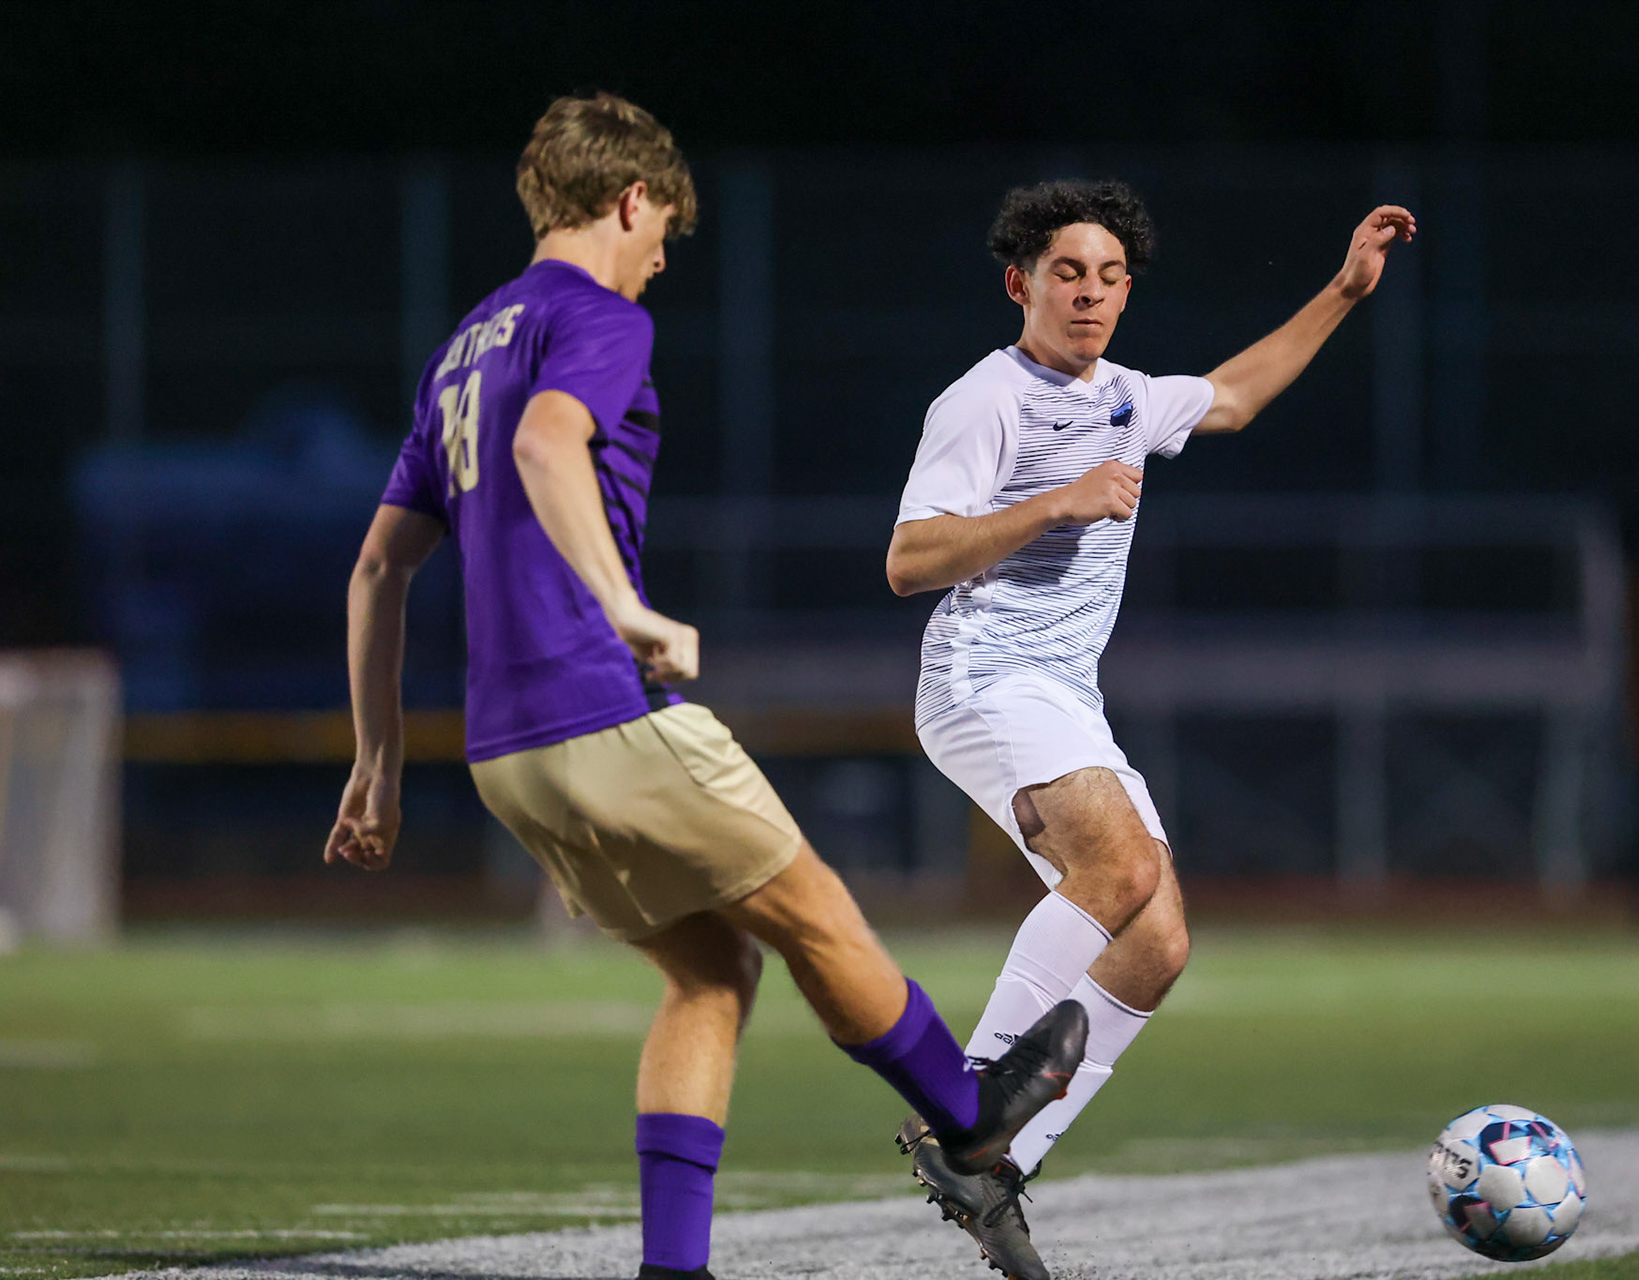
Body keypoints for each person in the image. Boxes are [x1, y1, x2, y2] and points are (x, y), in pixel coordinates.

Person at [324, 92, 1086, 1280]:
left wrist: (375, 762)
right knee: (817, 914)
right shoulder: (596, 314)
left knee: (709, 969)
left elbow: (379, 566)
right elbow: (546, 446)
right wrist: (625, 609)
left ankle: (672, 1270)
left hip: (503, 754)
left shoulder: (461, 349)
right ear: (630, 199)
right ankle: (970, 1109)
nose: (663, 256)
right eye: (664, 228)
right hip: (603, 710)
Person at [885, 179, 1413, 1279]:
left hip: (1065, 692)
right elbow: (909, 559)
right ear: (1018, 282)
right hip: (983, 673)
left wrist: (1344, 290)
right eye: (1068, 272)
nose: (1091, 292)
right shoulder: (986, 399)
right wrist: (1055, 503)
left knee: (1158, 940)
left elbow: (1231, 396)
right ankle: (965, 1108)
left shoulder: (1128, 394)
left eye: (1111, 275)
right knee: (1120, 866)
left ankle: (999, 1154)